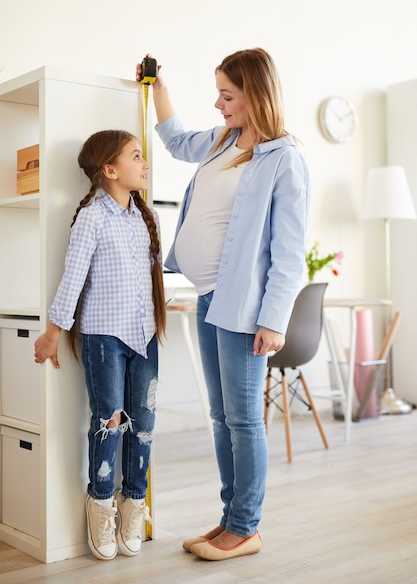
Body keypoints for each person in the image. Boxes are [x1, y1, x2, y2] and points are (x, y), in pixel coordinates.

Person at [136, 48, 310, 561]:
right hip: (210, 300)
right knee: (220, 417)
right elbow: (173, 140)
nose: (218, 104)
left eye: (227, 95)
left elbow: (289, 251)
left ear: (255, 95)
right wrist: (158, 88)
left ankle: (246, 526)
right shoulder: (221, 140)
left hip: (244, 309)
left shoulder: (285, 159)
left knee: (243, 421)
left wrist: (274, 321)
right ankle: (230, 518)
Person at [34, 130, 166, 561]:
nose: (144, 163)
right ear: (110, 170)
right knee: (110, 422)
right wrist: (54, 332)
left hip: (144, 337)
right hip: (104, 337)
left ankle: (134, 504)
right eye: (136, 156)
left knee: (142, 425)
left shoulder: (145, 218)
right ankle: (102, 503)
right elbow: (73, 278)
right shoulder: (92, 216)